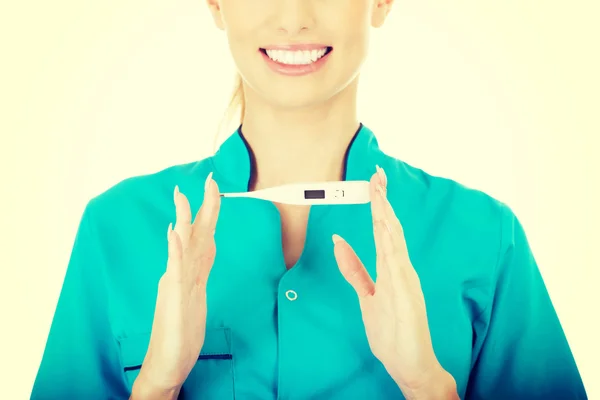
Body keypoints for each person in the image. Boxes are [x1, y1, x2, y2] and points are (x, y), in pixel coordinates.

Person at [31, 0, 587, 399]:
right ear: (215, 4)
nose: (294, 16)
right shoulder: (116, 229)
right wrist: (158, 382)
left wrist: (428, 387)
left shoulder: (484, 237)